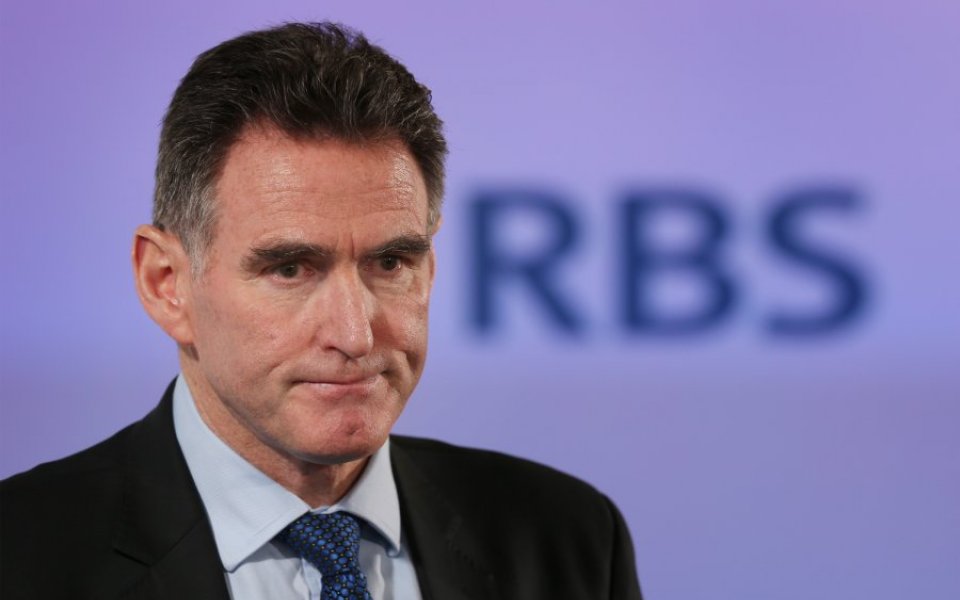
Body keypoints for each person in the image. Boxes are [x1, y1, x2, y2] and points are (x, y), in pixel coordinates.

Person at [0, 22, 642, 600]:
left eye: (391, 263)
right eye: (290, 269)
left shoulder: (568, 539)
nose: (355, 334)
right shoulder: (21, 557)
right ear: (166, 283)